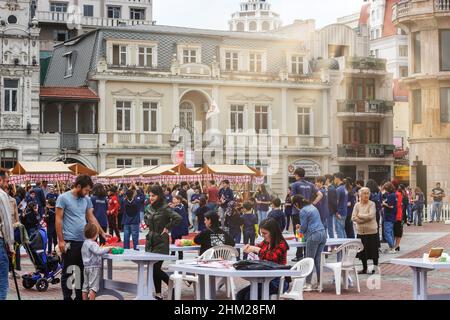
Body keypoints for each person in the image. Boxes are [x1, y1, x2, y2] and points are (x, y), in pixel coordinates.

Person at [56, 175, 110, 300]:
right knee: (69, 271)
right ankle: (68, 297)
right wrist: (61, 240)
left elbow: (91, 217)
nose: (87, 193)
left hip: (84, 241)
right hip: (70, 241)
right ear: (78, 186)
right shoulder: (63, 198)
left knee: (82, 272)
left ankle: (79, 297)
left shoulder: (86, 199)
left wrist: (102, 233)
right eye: (86, 190)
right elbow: (58, 220)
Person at [144, 185, 182, 300]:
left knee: (155, 268)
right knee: (153, 269)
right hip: (150, 241)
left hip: (161, 241)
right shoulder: (149, 208)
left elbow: (178, 218)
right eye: (150, 195)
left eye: (153, 195)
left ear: (159, 196)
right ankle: (158, 294)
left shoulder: (165, 208)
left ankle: (172, 285)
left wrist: (167, 227)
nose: (151, 198)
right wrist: (147, 223)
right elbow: (146, 218)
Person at [238, 219, 290, 300]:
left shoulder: (281, 244)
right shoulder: (266, 242)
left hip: (278, 281)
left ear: (273, 232)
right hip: (265, 279)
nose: (263, 235)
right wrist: (249, 247)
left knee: (249, 296)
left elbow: (272, 256)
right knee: (240, 294)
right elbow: (259, 247)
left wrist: (256, 249)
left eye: (265, 233)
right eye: (261, 233)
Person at [292, 195, 327, 291]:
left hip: (313, 235)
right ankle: (320, 283)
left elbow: (303, 227)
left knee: (309, 261)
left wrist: (299, 231)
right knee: (318, 261)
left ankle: (308, 284)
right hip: (322, 234)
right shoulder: (313, 207)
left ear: (296, 203)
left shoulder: (303, 210)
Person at [290, 167, 323, 262]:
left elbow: (293, 198)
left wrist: (299, 208)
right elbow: (320, 195)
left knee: (299, 232)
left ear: (296, 175)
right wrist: (312, 204)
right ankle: (306, 254)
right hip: (309, 211)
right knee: (307, 232)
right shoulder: (311, 185)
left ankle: (299, 255)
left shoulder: (295, 185)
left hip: (297, 212)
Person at [352, 187, 379, 274]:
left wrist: (359, 215)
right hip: (361, 232)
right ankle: (364, 268)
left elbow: (371, 216)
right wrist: (362, 219)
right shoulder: (357, 205)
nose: (366, 195)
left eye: (368, 193)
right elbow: (353, 217)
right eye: (364, 193)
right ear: (360, 195)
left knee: (374, 251)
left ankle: (375, 268)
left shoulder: (372, 204)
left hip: (371, 231)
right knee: (362, 252)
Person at [81, 223, 112, 300]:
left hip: (86, 267)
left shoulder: (85, 243)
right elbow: (98, 251)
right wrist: (108, 248)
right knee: (93, 287)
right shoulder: (93, 243)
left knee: (85, 287)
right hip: (94, 267)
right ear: (95, 234)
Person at [0, 171, 14, 300]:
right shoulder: (2, 195)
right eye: (7, 181)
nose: (8, 184)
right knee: (2, 281)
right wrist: (10, 245)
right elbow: (7, 222)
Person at [169, 195, 189, 260]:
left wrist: (171, 207)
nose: (173, 200)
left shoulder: (178, 208)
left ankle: (174, 255)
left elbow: (173, 212)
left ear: (178, 200)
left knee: (176, 241)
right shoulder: (181, 206)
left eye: (174, 199)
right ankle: (177, 255)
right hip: (178, 226)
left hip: (178, 227)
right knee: (177, 241)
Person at [366, 179, 382, 249]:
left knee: (369, 229)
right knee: (376, 229)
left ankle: (371, 245)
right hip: (377, 213)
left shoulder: (369, 194)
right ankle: (377, 245)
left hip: (370, 214)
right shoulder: (378, 193)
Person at [382, 182, 397, 253]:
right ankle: (392, 247)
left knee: (387, 232)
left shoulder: (391, 195)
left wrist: (384, 204)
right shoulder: (393, 195)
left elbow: (391, 206)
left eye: (385, 189)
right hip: (392, 216)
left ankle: (392, 247)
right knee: (391, 232)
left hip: (388, 216)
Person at [334, 172, 348, 239]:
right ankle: (345, 245)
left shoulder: (338, 189)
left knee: (339, 230)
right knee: (342, 229)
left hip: (339, 212)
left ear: (337, 178)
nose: (334, 180)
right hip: (344, 212)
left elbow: (336, 201)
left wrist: (336, 212)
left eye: (334, 178)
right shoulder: (344, 188)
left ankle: (341, 246)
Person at [393, 184, 407, 252]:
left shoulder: (397, 194)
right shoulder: (402, 194)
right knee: (398, 230)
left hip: (397, 215)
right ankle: (397, 245)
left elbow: (397, 205)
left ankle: (396, 245)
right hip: (400, 214)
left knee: (396, 230)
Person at [325, 174, 337, 238]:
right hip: (328, 210)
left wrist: (334, 211)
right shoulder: (329, 188)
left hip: (329, 211)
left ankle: (332, 242)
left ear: (328, 179)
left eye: (325, 179)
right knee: (328, 227)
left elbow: (333, 201)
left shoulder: (331, 189)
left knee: (330, 227)